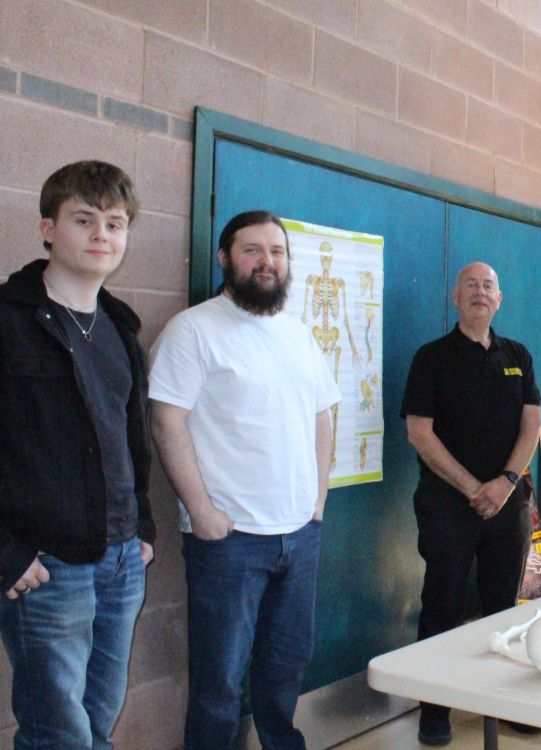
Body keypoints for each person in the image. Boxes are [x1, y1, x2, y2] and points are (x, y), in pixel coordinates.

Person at [148, 211, 340, 750]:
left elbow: (325, 412)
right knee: (219, 683)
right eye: (252, 250)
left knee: (286, 667)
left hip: (299, 535)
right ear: (225, 258)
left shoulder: (297, 331)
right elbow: (166, 421)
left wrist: (318, 498)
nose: (266, 261)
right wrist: (201, 511)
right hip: (229, 542)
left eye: (276, 251)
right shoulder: (193, 329)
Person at [0, 160, 153, 749]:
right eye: (84, 220)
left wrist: (142, 524)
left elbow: (131, 442)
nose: (101, 236)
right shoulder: (10, 320)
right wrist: (6, 553)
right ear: (47, 228)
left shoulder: (120, 328)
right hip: (47, 565)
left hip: (120, 561)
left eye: (115, 224)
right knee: (56, 732)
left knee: (97, 722)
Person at [401, 261, 541, 746]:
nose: (480, 293)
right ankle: (433, 710)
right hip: (447, 506)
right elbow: (419, 431)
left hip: (508, 505)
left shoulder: (517, 354)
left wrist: (504, 484)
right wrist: (470, 488)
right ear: (456, 299)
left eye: (488, 287)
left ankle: (501, 702)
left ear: (499, 300)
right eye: (471, 286)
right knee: (442, 604)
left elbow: (532, 425)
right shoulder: (431, 357)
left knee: (504, 609)